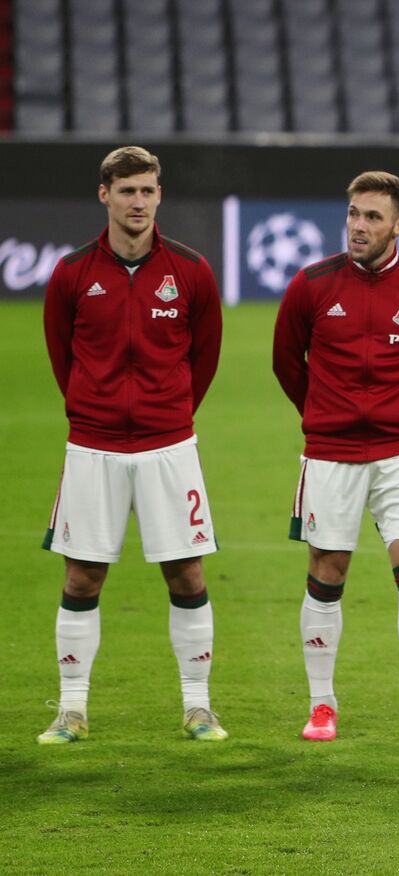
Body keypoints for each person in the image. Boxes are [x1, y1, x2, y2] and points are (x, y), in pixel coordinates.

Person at [39, 145, 226, 744]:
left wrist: (166, 411)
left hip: (169, 446)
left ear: (159, 196)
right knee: (81, 579)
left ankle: (198, 707)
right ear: (105, 196)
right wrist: (93, 410)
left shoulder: (191, 271)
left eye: (147, 191)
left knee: (187, 575)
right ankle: (71, 709)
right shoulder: (71, 274)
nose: (138, 202)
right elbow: (60, 357)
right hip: (92, 447)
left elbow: (205, 357)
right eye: (127, 191)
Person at [273, 171, 399, 743]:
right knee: (327, 573)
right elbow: (287, 364)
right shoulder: (311, 285)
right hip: (331, 454)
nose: (359, 225)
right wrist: (331, 414)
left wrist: (392, 411)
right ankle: (322, 705)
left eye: (373, 217)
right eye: (354, 213)